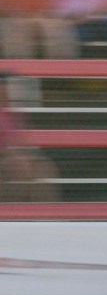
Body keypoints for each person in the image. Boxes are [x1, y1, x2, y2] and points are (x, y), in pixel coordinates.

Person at [0, 73, 58, 201]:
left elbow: (22, 141)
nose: (7, 89)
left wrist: (27, 157)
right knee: (16, 168)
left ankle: (45, 211)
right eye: (3, 85)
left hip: (13, 158)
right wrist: (13, 157)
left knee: (44, 169)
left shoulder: (13, 113)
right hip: (6, 159)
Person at [0, 0, 75, 58]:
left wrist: (38, 15)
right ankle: (19, 64)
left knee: (55, 28)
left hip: (39, 16)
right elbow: (4, 5)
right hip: (13, 17)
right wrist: (17, 14)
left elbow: (47, 1)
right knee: (16, 32)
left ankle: (61, 64)